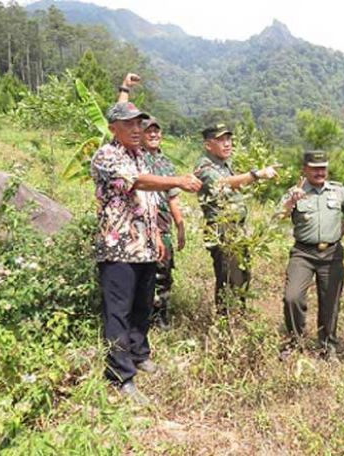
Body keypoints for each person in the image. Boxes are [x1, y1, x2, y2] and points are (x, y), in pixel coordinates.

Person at [90, 101, 201, 402]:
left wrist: (156, 236)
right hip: (119, 249)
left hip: (146, 247)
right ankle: (119, 375)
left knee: (142, 307)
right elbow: (136, 183)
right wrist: (178, 180)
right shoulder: (107, 155)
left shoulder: (141, 156)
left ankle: (139, 355)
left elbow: (148, 201)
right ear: (114, 128)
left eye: (139, 123)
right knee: (119, 313)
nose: (137, 129)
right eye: (129, 124)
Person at [118, 73, 185, 329]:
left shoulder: (165, 162)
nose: (154, 134)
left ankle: (160, 317)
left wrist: (180, 225)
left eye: (157, 131)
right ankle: (139, 318)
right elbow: (119, 117)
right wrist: (124, 88)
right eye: (149, 131)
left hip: (164, 226)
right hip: (139, 225)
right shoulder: (135, 156)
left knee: (164, 271)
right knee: (141, 273)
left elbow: (172, 197)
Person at [194, 123, 279, 314]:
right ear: (208, 145)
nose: (227, 144)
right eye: (221, 140)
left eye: (228, 139)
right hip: (222, 230)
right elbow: (221, 184)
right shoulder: (204, 166)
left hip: (237, 228)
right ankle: (228, 321)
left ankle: (238, 315)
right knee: (229, 277)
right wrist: (256, 175)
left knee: (242, 275)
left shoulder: (225, 164)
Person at [278, 150, 344, 361]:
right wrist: (290, 202)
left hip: (331, 253)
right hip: (303, 253)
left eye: (323, 168)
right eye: (315, 168)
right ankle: (295, 342)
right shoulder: (296, 191)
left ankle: (327, 347)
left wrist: (341, 231)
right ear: (305, 169)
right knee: (291, 297)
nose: (320, 172)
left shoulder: (338, 191)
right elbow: (278, 217)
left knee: (330, 301)